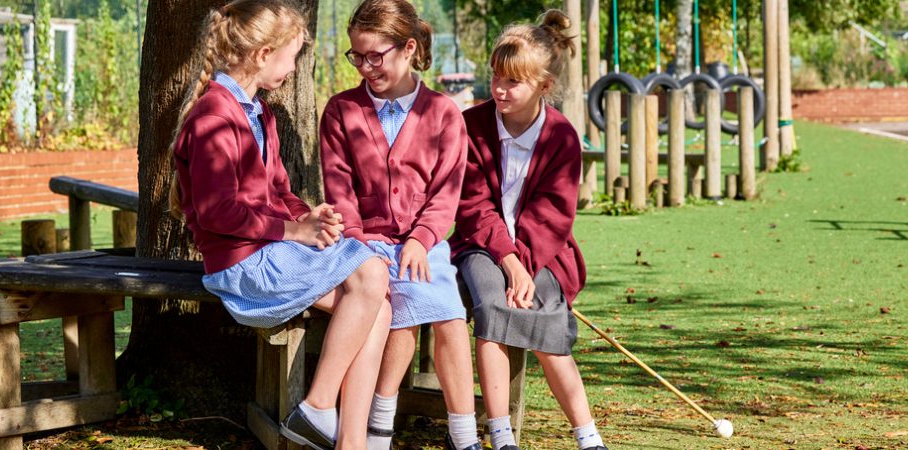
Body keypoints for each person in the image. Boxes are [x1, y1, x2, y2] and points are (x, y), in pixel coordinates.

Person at [168, 1, 391, 448]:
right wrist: (294, 232)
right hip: (242, 268)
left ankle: (350, 441)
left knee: (380, 305)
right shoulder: (215, 116)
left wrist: (306, 215)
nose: (293, 68)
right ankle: (317, 406)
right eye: (292, 56)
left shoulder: (258, 114)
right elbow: (217, 212)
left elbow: (279, 192)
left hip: (269, 252)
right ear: (262, 53)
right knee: (372, 273)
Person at [319, 1, 480, 449]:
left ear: (408, 48)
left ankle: (464, 435)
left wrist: (421, 240)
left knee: (446, 314)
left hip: (422, 244)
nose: (366, 67)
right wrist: (358, 241)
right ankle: (378, 426)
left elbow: (447, 194)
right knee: (389, 310)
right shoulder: (340, 112)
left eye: (376, 56)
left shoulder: (445, 114)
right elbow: (339, 190)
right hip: (363, 247)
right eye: (357, 56)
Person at [450, 10, 608, 450]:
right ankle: (501, 435)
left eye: (513, 82)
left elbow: (552, 216)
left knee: (544, 310)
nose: (500, 89)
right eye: (496, 76)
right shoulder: (472, 126)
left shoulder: (562, 137)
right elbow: (473, 205)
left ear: (544, 85)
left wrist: (525, 265)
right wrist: (509, 262)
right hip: (479, 246)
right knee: (491, 302)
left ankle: (587, 434)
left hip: (544, 252)